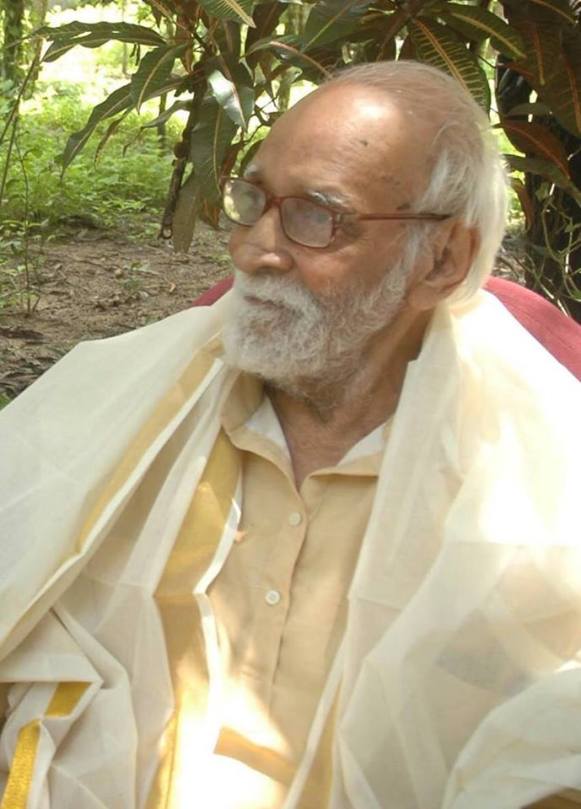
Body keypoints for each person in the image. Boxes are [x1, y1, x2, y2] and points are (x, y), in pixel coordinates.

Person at [0, 60, 580, 809]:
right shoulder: (118, 403)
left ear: (442, 259)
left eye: (315, 216)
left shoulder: (536, 489)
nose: (253, 250)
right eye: (252, 201)